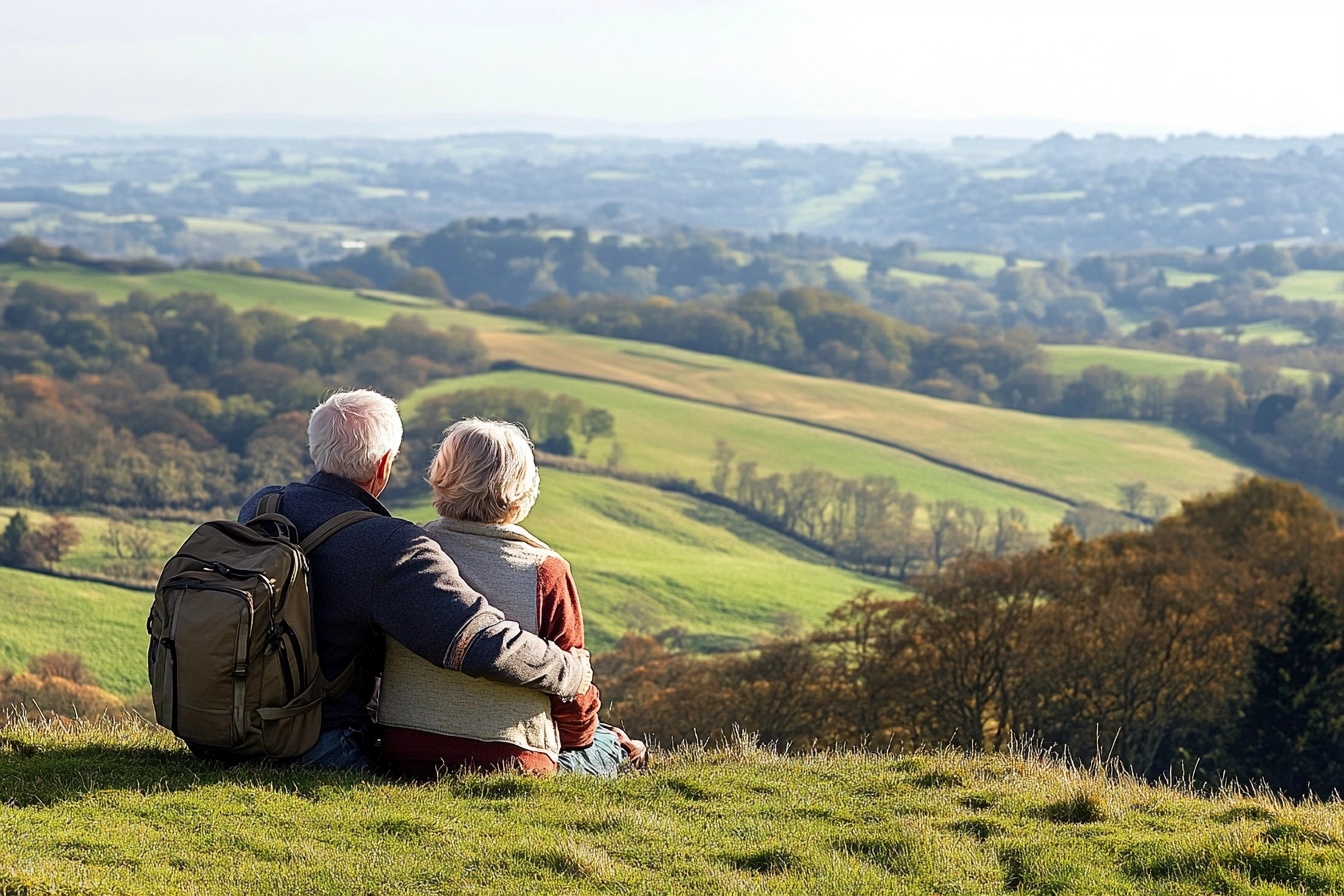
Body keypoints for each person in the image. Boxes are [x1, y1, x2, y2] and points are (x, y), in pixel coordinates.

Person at [238, 390, 593, 771]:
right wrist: (571, 671)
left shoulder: (265, 505)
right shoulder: (390, 544)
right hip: (319, 740)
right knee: (604, 746)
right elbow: (473, 642)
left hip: (238, 717)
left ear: (316, 447)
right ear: (384, 464)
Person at [377, 417, 646, 777]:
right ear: (522, 489)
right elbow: (572, 695)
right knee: (612, 744)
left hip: (406, 751)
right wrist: (585, 738)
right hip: (511, 762)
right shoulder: (545, 571)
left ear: (441, 477)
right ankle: (625, 752)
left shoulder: (406, 553)